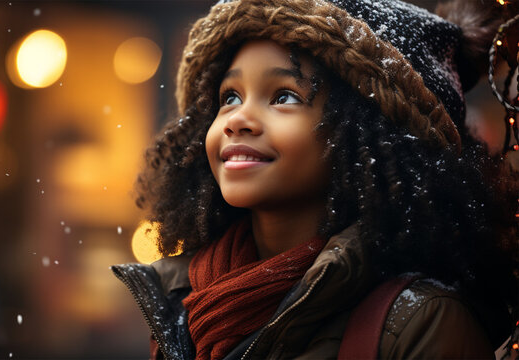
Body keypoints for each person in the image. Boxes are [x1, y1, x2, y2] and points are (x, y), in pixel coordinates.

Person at [111, 0, 519, 358]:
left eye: (284, 96)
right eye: (229, 97)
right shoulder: (188, 305)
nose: (237, 120)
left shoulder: (421, 323)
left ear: (367, 133)